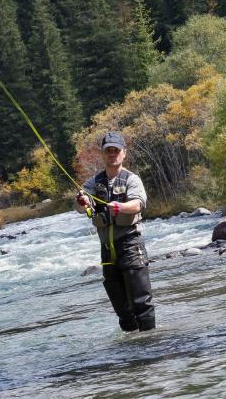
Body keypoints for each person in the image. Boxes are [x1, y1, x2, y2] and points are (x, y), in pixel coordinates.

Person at [75, 131, 155, 332]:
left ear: (124, 153)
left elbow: (138, 204)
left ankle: (152, 345)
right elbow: (79, 206)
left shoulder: (131, 179)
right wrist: (82, 201)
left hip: (130, 243)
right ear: (102, 154)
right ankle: (130, 349)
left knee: (141, 302)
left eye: (116, 150)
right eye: (108, 151)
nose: (112, 154)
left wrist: (121, 208)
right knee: (121, 308)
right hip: (107, 248)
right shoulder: (94, 182)